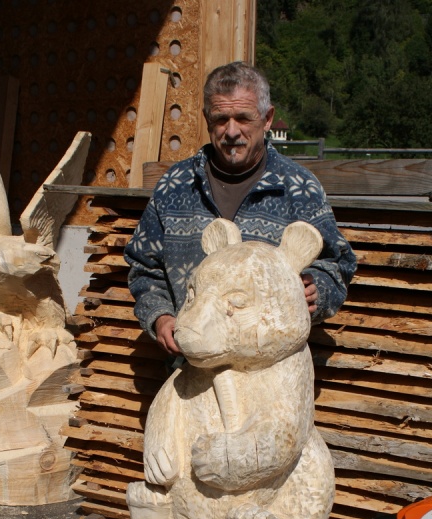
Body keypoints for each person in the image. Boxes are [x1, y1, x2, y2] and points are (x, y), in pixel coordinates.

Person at [125, 61, 356, 355]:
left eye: (243, 118)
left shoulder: (299, 189)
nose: (232, 131)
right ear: (207, 119)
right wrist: (160, 316)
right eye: (221, 119)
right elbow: (143, 267)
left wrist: (318, 289)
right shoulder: (175, 186)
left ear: (267, 118)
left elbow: (338, 264)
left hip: (268, 370)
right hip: (188, 361)